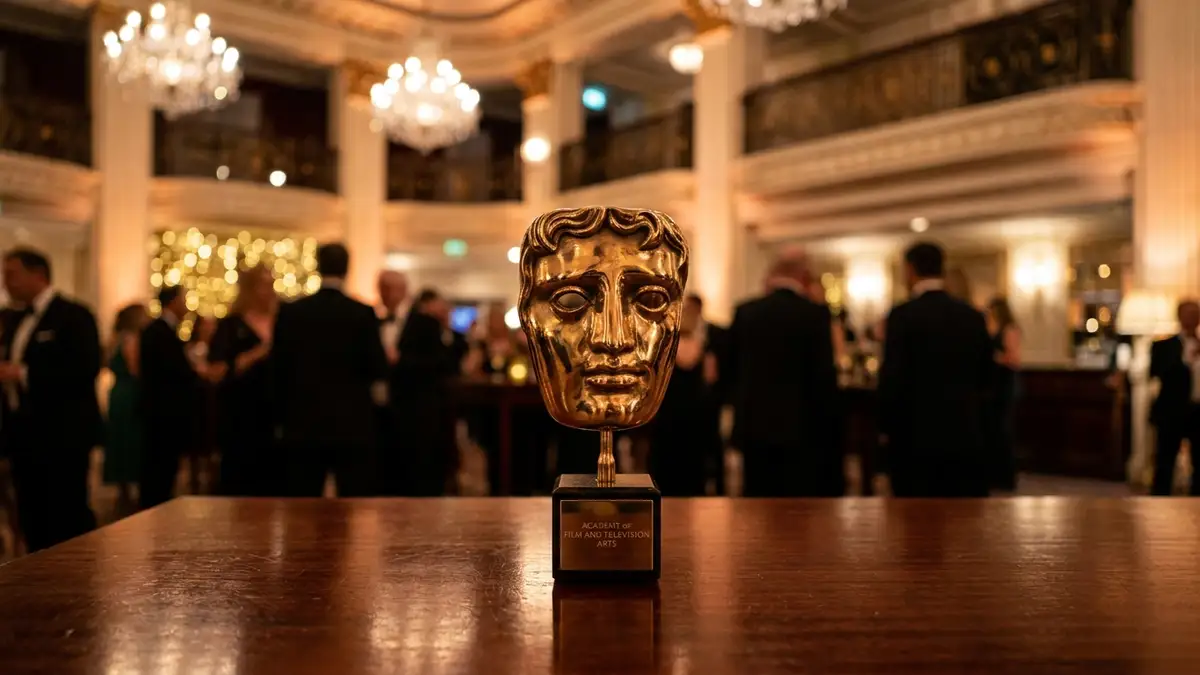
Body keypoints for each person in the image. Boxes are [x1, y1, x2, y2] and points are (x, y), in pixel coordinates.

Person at [0, 248, 101, 551]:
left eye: (12, 275)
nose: (6, 283)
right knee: (32, 514)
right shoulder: (15, 319)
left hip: (62, 434)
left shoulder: (74, 315)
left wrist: (22, 374)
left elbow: (84, 369)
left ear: (38, 274)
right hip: (23, 433)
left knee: (66, 514)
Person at [271, 243, 389, 497]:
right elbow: (377, 367)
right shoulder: (362, 313)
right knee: (353, 504)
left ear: (318, 267)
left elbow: (278, 368)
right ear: (347, 269)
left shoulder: (292, 313)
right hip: (351, 422)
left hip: (303, 420)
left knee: (302, 505)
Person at [878, 242, 993, 498]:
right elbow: (987, 377)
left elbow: (892, 378)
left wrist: (885, 428)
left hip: (914, 438)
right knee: (964, 520)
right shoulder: (972, 317)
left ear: (910, 270)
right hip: (964, 433)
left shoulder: (902, 316)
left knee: (916, 523)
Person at [727, 250, 843, 497]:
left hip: (754, 426)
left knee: (756, 501)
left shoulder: (745, 312)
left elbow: (731, 370)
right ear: (804, 277)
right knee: (796, 503)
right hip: (801, 427)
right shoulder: (815, 314)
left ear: (772, 275)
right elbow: (823, 377)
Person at [209, 265, 280, 496]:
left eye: (271, 284)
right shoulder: (231, 326)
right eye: (262, 285)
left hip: (276, 416)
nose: (268, 291)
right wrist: (255, 355)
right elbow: (217, 370)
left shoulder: (283, 322)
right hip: (241, 416)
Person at [393, 289, 468, 496]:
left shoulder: (423, 324)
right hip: (424, 403)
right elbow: (437, 362)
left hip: (425, 403)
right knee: (426, 458)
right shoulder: (424, 324)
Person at [651, 294, 723, 496]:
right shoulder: (704, 348)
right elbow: (711, 379)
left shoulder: (663, 348)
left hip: (668, 416)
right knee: (693, 472)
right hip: (695, 419)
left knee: (667, 470)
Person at [139, 286, 199, 509]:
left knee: (163, 467)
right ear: (173, 301)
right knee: (159, 467)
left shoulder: (164, 330)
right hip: (163, 413)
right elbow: (169, 372)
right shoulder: (159, 331)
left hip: (164, 412)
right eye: (184, 299)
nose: (187, 305)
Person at [1148, 300, 1200, 496]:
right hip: (1172, 412)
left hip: (1198, 412)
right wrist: (1187, 361)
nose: (1193, 318)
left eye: (1196, 313)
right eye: (1189, 314)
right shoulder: (1164, 346)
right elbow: (1158, 373)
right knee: (1165, 463)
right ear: (1179, 316)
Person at [104, 303, 149, 515]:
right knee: (129, 439)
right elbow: (135, 369)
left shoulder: (114, 339)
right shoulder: (131, 339)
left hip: (117, 393)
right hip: (129, 394)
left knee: (118, 439)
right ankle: (129, 493)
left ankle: (123, 490)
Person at [985, 296, 1021, 492]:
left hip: (1006, 384)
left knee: (1004, 430)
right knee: (995, 431)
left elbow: (1014, 359)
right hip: (995, 386)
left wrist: (995, 357)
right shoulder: (995, 328)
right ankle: (996, 475)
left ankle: (1006, 478)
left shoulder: (1010, 329)